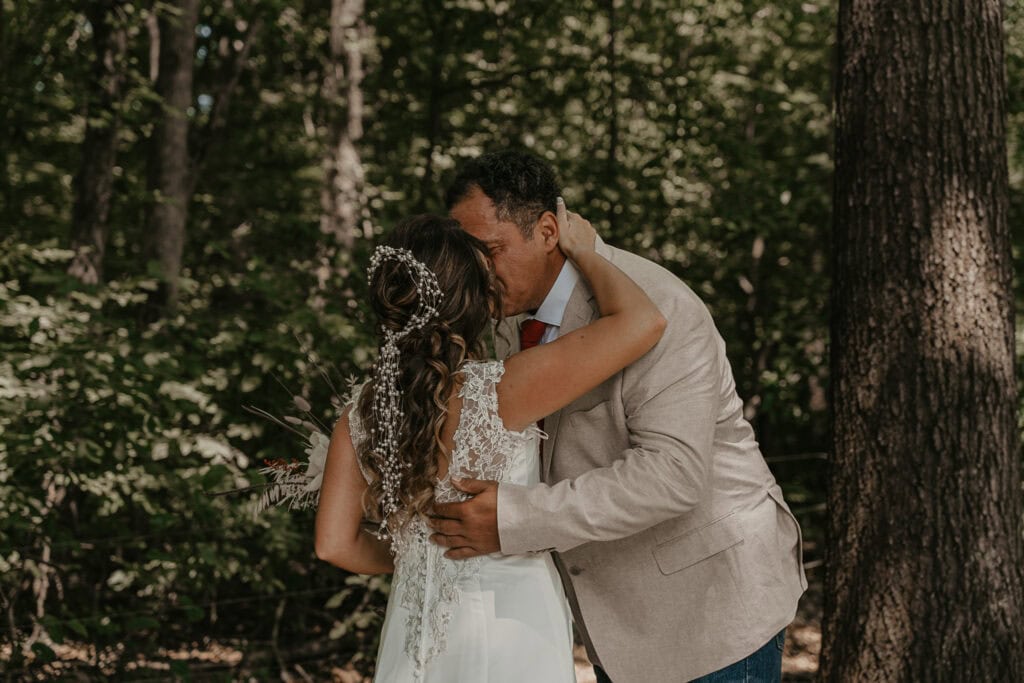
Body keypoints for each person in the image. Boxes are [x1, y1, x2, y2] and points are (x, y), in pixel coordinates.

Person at [430, 150, 808, 683]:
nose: (478, 272)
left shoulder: (660, 307)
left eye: (491, 250)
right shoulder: (499, 315)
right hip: (616, 619)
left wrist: (512, 521)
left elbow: (672, 475)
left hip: (711, 606)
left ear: (545, 230)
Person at [314, 209, 666, 682]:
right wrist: (585, 250)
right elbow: (643, 321)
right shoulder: (504, 389)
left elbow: (333, 545)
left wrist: (420, 553)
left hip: (412, 631)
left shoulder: (361, 412)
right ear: (474, 299)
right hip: (514, 623)